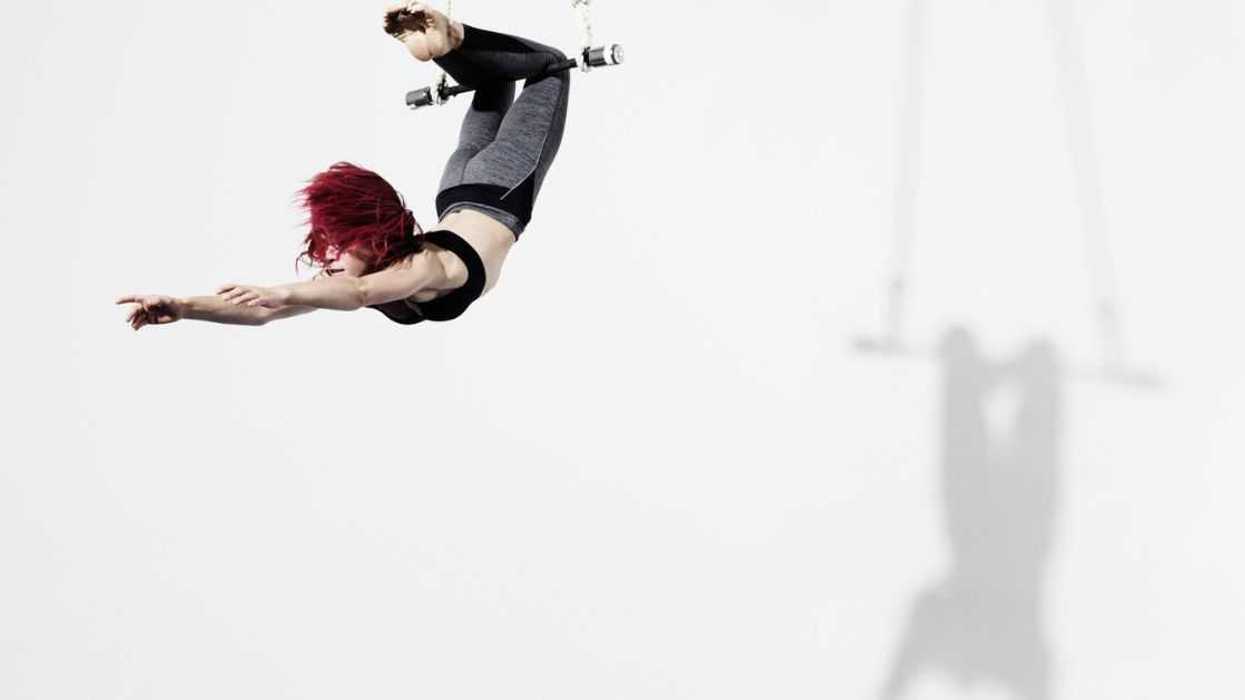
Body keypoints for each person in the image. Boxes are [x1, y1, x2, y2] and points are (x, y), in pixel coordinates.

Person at [117, 3, 571, 329]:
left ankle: (453, 40)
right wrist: (182, 306)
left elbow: (353, 296)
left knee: (549, 67)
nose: (331, 260)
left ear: (372, 242)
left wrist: (282, 291)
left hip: (489, 190)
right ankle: (447, 45)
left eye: (337, 249)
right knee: (517, 74)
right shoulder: (374, 273)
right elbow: (265, 311)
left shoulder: (425, 268)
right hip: (470, 189)